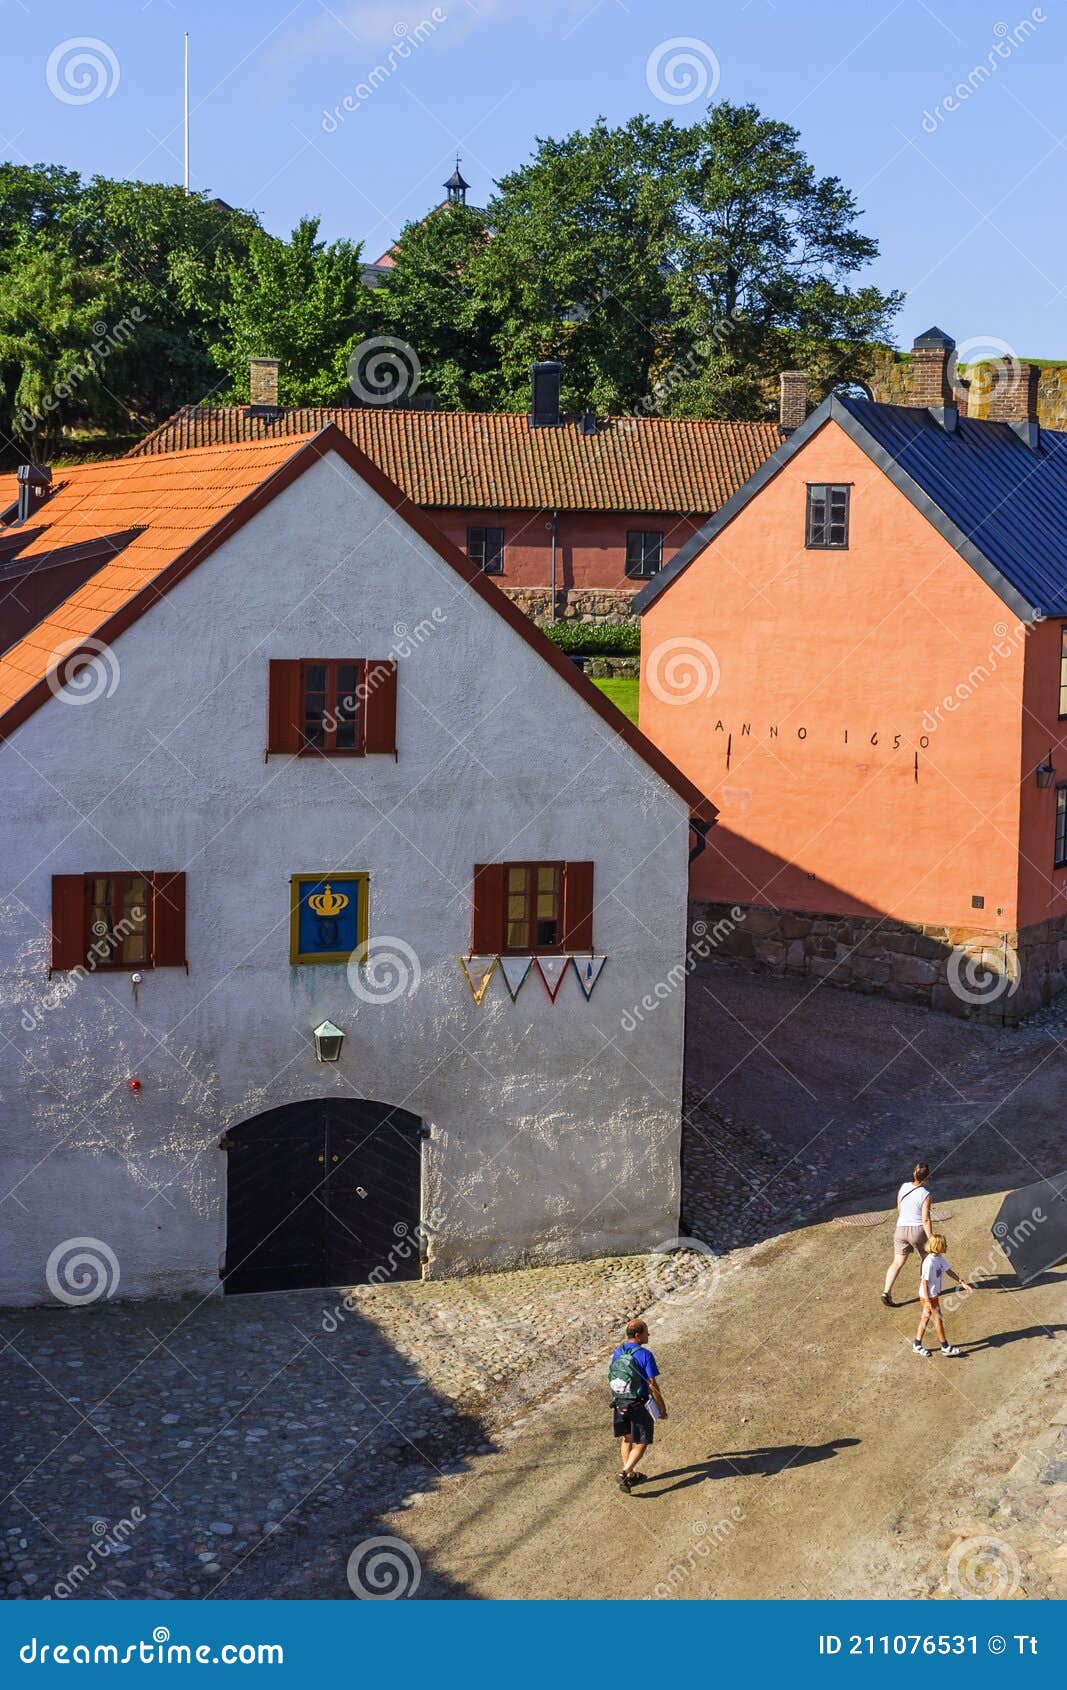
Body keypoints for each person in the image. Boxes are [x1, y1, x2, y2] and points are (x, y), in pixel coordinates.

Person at [609, 1318, 667, 1492]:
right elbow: (652, 1384)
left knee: (627, 1438)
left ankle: (631, 1476)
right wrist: (661, 1406)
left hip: (620, 1402)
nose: (648, 1334)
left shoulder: (618, 1352)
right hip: (638, 1404)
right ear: (638, 1335)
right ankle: (624, 1472)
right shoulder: (645, 1355)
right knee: (642, 1441)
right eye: (646, 1332)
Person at [882, 1161, 933, 1306]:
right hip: (917, 1230)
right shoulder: (926, 1195)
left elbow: (899, 1207)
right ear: (928, 1177)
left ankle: (886, 1292)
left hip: (901, 1228)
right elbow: (925, 1219)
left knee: (897, 1262)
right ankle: (924, 1291)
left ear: (914, 1173)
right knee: (926, 1258)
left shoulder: (904, 1187)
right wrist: (931, 1238)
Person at [914, 1234, 973, 1358]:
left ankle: (917, 1344)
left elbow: (949, 1271)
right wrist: (928, 1301)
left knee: (925, 1318)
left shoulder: (939, 1258)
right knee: (938, 1319)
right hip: (929, 1296)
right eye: (944, 1244)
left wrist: (962, 1282)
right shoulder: (929, 1263)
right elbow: (924, 1282)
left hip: (932, 1295)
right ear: (938, 1246)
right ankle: (945, 1347)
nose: (946, 1246)